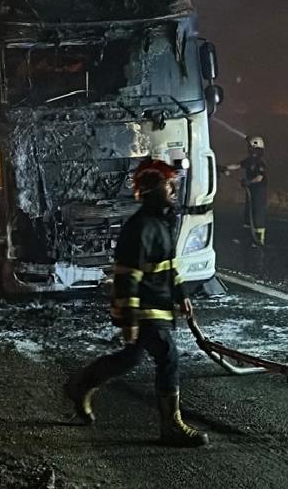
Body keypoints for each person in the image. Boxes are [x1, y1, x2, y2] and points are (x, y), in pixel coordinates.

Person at [63, 158, 209, 447]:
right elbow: (127, 277)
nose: (173, 190)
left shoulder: (160, 223)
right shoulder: (139, 228)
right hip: (143, 310)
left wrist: (182, 295)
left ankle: (80, 385)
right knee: (168, 356)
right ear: (154, 189)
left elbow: (168, 266)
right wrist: (130, 320)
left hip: (156, 306)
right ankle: (171, 426)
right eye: (169, 185)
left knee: (131, 358)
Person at [225, 136, 267, 246]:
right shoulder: (249, 161)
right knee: (247, 214)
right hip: (251, 190)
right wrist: (225, 168)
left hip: (259, 191)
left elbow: (259, 178)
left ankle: (258, 240)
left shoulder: (260, 163)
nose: (250, 150)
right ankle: (246, 238)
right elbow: (238, 165)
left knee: (257, 214)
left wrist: (248, 182)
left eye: (252, 148)